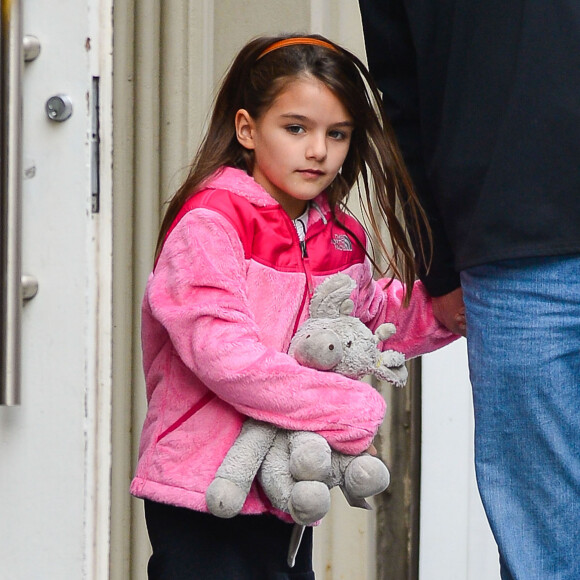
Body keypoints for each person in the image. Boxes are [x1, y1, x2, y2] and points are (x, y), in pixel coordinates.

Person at [130, 33, 457, 579]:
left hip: (287, 487)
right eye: (296, 128)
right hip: (202, 487)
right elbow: (224, 355)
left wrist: (446, 309)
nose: (317, 151)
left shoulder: (343, 235)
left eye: (337, 134)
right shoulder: (211, 224)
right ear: (246, 129)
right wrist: (343, 409)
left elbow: (373, 326)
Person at [358, 2, 580, 579]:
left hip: (509, 251)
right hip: (511, 250)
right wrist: (438, 264)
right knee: (544, 549)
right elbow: (400, 94)